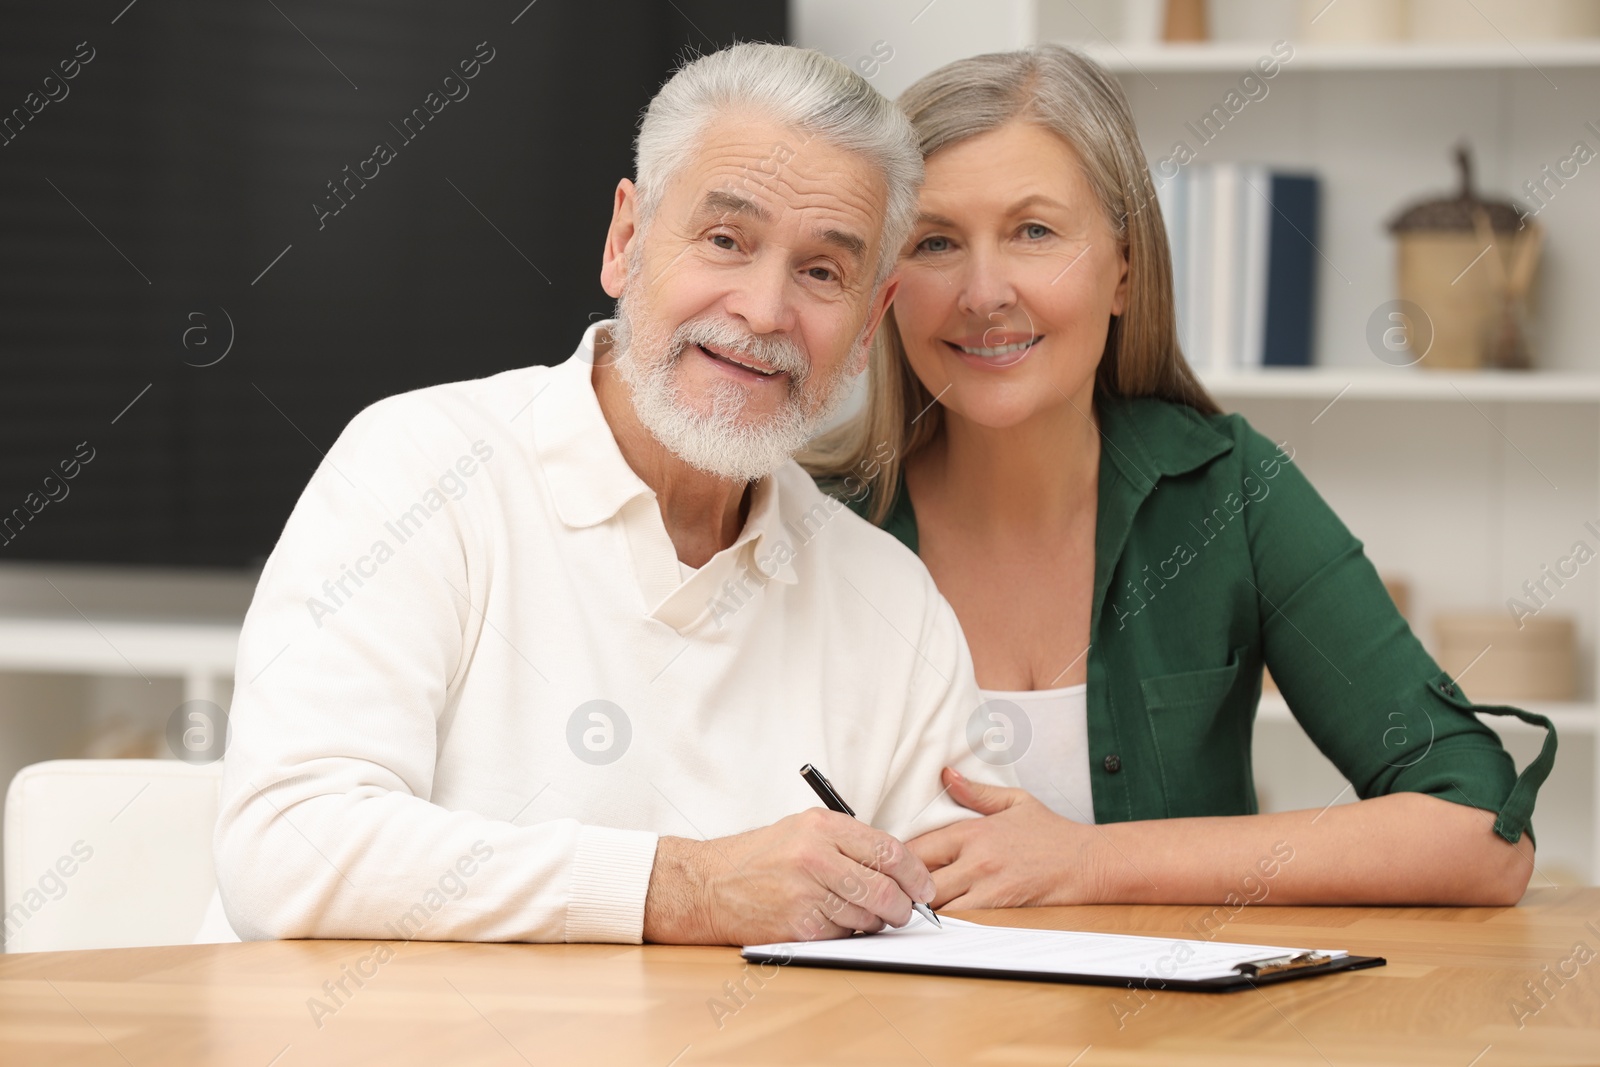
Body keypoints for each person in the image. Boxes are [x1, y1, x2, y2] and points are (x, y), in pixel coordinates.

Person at [212, 42, 1017, 948]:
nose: (761, 309)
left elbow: (948, 922)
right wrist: (690, 889)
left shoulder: (889, 596)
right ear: (626, 241)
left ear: (870, 324)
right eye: (725, 240)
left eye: (823, 272)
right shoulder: (415, 467)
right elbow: (287, 851)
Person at [803, 45, 1555, 909]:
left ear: (1124, 267)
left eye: (1034, 231)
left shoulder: (1231, 491)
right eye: (935, 241)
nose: (983, 291)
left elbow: (1479, 827)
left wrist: (1087, 863)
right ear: (887, 287)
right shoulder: (808, 524)